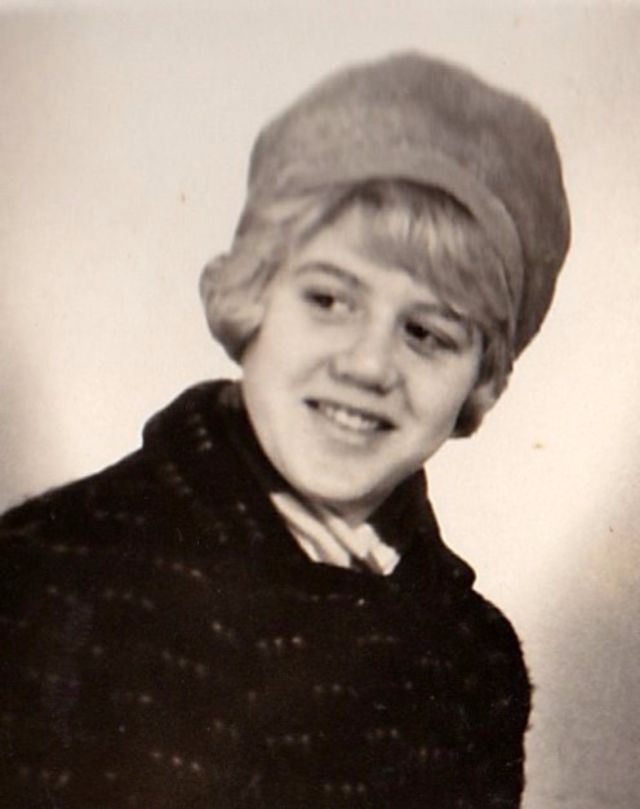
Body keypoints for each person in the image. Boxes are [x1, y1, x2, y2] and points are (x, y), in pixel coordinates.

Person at [0, 52, 570, 808]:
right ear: (253, 299)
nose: (368, 364)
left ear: (481, 379)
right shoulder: (46, 581)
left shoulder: (472, 660)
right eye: (329, 300)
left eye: (428, 333)